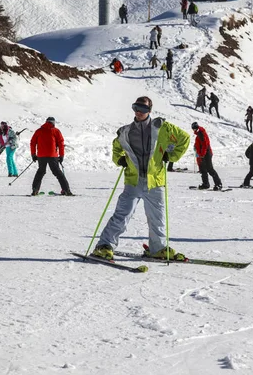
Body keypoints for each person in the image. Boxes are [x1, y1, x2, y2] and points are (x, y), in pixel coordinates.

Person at [92, 96, 190, 261]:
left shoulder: (163, 128)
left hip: (156, 181)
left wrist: (171, 156)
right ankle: (105, 245)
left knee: (157, 218)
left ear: (149, 110)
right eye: (136, 107)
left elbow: (184, 138)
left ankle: (157, 248)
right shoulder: (126, 131)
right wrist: (120, 159)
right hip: (133, 181)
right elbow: (116, 147)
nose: (139, 112)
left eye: (143, 109)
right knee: (122, 215)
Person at [30, 117, 72, 196]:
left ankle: (35, 190)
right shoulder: (56, 131)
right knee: (58, 172)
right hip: (52, 155)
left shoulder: (39, 131)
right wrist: (61, 155)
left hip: (41, 156)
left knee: (40, 172)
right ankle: (66, 190)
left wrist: (33, 154)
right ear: (53, 123)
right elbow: (61, 144)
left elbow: (33, 142)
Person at [192, 122, 222, 190]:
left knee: (210, 169)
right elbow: (200, 143)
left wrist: (202, 154)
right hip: (202, 154)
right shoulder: (199, 133)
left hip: (206, 153)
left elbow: (205, 145)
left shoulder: (201, 133)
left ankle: (218, 184)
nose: (193, 130)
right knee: (203, 169)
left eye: (194, 129)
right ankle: (206, 184)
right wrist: (195, 146)